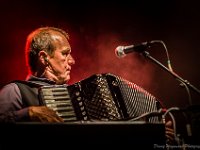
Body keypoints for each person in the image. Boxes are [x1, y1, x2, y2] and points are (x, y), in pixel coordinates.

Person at [0, 26, 175, 143]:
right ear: (44, 58)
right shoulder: (15, 91)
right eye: (65, 54)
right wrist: (27, 113)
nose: (72, 60)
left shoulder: (76, 97)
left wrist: (150, 134)